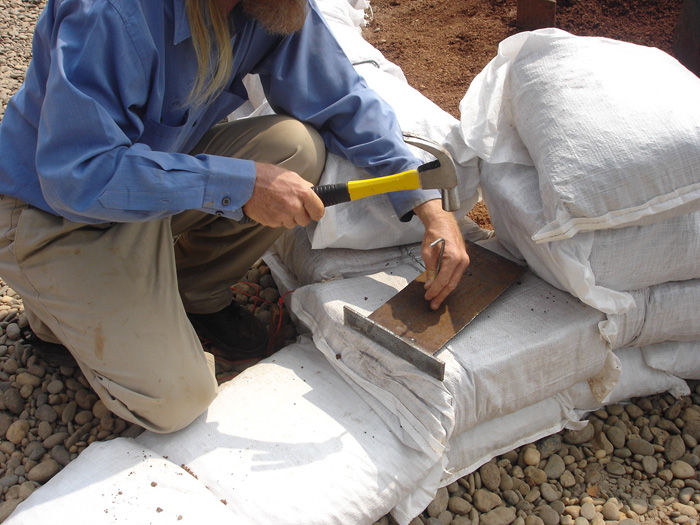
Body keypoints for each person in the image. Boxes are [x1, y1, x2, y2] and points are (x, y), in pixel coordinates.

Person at [0, 0, 469, 433]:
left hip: (148, 183)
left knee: (294, 148)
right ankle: (53, 312)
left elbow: (342, 98)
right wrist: (239, 186)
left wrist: (427, 206)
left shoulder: (269, 6)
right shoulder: (113, 13)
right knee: (178, 401)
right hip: (53, 212)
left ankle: (191, 290)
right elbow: (77, 174)